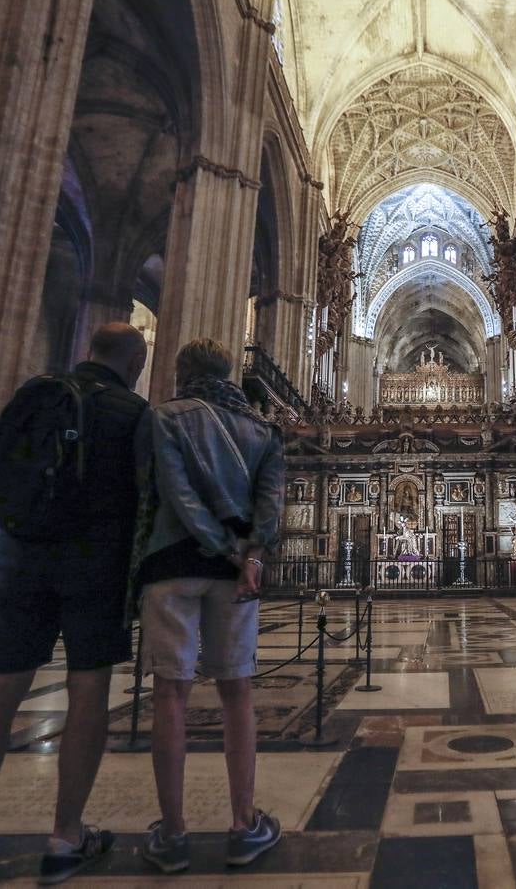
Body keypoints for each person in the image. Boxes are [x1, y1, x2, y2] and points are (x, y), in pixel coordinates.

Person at [0, 323, 148, 888]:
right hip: (95, 569)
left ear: (88, 353)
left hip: (23, 562)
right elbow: (147, 499)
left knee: (2, 687)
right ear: (137, 361)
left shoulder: (35, 395)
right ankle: (65, 835)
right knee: (87, 693)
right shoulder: (133, 413)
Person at [133, 338, 285, 873]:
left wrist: (213, 543)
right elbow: (270, 505)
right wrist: (250, 553)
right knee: (236, 690)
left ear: (180, 370)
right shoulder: (262, 428)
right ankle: (243, 825)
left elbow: (174, 493)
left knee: (170, 694)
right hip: (236, 571)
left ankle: (173, 834)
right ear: (232, 372)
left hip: (172, 565)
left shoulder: (165, 417)